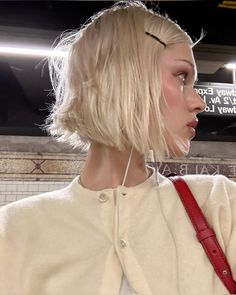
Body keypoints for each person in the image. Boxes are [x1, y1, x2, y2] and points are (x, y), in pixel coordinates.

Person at [0, 1, 235, 294]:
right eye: (181, 77)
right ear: (126, 76)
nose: (198, 101)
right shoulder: (14, 230)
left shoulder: (219, 203)